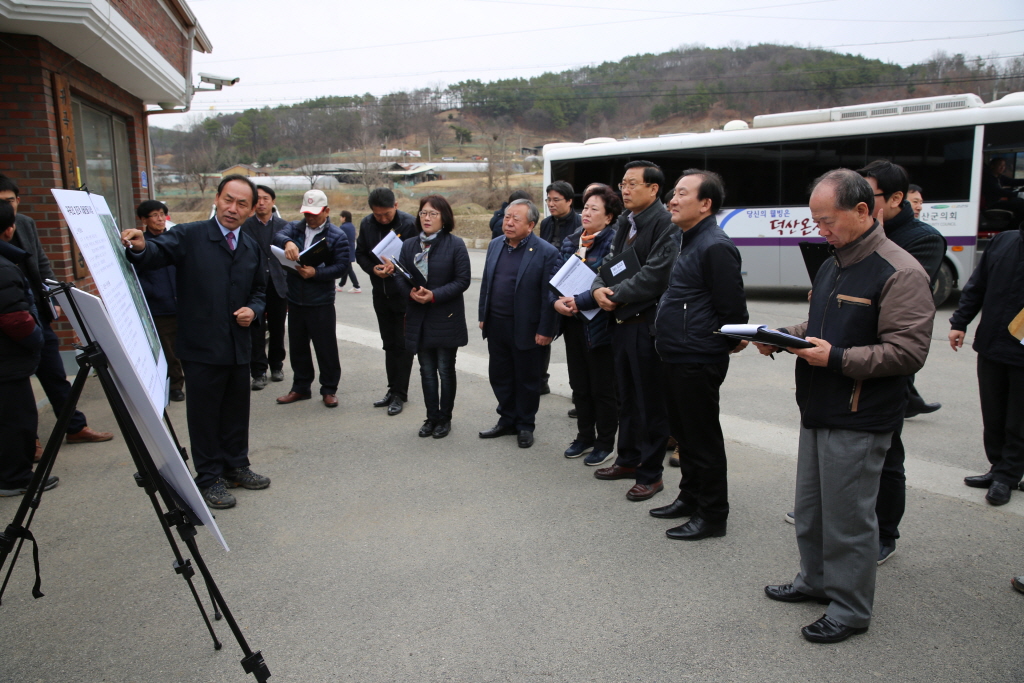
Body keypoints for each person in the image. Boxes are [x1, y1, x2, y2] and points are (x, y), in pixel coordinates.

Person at [759, 169, 934, 644]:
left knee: (849, 519)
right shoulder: (833, 261)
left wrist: (835, 359)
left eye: (827, 221)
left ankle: (850, 609)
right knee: (813, 509)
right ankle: (814, 582)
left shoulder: (900, 271)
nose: (821, 231)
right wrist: (780, 337)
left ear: (863, 210)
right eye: (815, 222)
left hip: (860, 412)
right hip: (819, 403)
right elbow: (822, 323)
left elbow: (907, 351)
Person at [121, 174, 270, 511]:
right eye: (228, 199)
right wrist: (142, 246)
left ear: (251, 210)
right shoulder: (190, 235)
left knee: (236, 409)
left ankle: (236, 465)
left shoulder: (250, 247)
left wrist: (254, 309)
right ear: (217, 199)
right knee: (204, 415)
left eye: (241, 204)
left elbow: (261, 290)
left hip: (238, 344)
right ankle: (209, 477)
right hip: (202, 346)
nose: (233, 208)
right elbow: (157, 252)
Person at [649, 170, 748, 541]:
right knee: (685, 436)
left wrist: (711, 346)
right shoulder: (686, 240)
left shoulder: (715, 245)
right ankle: (689, 497)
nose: (672, 200)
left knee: (702, 438)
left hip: (696, 358)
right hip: (676, 353)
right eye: (673, 193)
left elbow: (734, 313)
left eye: (682, 194)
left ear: (705, 204)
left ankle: (712, 515)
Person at [855, 160, 947, 563]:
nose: (857, 204)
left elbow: (902, 303)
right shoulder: (855, 232)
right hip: (848, 356)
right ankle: (842, 516)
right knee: (846, 449)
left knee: (887, 453)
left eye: (867, 196)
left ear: (895, 198)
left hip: (883, 361)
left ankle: (885, 532)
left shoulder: (922, 240)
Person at [589, 160, 680, 502]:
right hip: (621, 322)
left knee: (649, 402)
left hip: (647, 325)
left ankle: (650, 473)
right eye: (622, 184)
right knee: (625, 397)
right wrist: (599, 288)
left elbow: (656, 274)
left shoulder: (665, 224)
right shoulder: (625, 221)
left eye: (632, 184)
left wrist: (614, 295)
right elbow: (608, 264)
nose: (624, 190)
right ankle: (627, 459)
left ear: (654, 189)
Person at [0, 174, 113, 446]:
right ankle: (29, 443)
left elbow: (41, 265)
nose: (7, 206)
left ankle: (74, 426)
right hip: (11, 321)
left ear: (18, 200)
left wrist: (55, 301)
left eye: (10, 200)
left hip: (36, 313)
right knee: (16, 391)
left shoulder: (25, 224)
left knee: (55, 374)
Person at [949, 216, 1024, 506]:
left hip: (1021, 355)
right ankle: (997, 467)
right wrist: (960, 322)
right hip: (992, 344)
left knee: (1018, 417)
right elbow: (977, 285)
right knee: (993, 412)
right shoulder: (1003, 241)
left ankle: (1008, 475)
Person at [477, 199, 559, 448]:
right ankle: (507, 419)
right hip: (497, 324)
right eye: (507, 217)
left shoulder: (546, 252)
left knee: (526, 379)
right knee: (500, 375)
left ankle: (525, 424)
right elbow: (486, 284)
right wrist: (483, 315)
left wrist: (546, 329)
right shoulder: (495, 245)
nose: (508, 222)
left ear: (531, 225)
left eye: (516, 219)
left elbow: (551, 295)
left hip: (527, 327)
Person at [551, 184, 620, 467]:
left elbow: (610, 283)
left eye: (594, 209)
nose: (587, 213)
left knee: (602, 387)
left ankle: (605, 442)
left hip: (600, 325)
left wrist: (580, 301)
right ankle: (584, 437)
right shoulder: (571, 240)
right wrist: (555, 302)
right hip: (573, 323)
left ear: (609, 217)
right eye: (586, 208)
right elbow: (555, 277)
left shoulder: (615, 242)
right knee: (579, 385)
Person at [393, 195, 471, 439]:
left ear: (444, 218)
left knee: (446, 370)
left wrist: (434, 295)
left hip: (446, 316)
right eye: (423, 213)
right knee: (426, 370)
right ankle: (431, 417)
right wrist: (411, 293)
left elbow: (462, 280)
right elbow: (399, 275)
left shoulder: (455, 244)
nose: (426, 218)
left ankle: (444, 419)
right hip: (420, 317)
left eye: (433, 214)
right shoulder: (409, 245)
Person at [0, 202, 57, 496]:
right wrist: (38, 338)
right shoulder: (5, 268)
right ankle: (16, 478)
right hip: (8, 362)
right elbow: (15, 319)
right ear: (9, 229)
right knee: (17, 420)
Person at [273, 189, 349, 408]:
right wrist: (288, 242)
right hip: (296, 298)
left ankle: (329, 389)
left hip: (321, 301)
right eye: (307, 213)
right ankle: (300, 387)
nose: (310, 218)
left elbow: (342, 267)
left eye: (315, 214)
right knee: (298, 347)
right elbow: (278, 235)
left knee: (325, 348)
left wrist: (317, 274)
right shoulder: (295, 228)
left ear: (326, 211)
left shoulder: (337, 236)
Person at [355, 188, 420, 416]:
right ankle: (392, 389)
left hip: (403, 296)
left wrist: (399, 267)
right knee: (388, 344)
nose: (382, 218)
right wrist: (373, 269)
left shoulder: (410, 224)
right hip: (380, 293)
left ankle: (400, 395)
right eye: (377, 214)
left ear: (396, 205)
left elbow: (420, 259)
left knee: (403, 346)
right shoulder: (367, 224)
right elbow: (360, 253)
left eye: (386, 214)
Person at [134, 200, 184, 402]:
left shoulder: (174, 241)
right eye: (154, 215)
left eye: (162, 214)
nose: (160, 218)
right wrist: (153, 292)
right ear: (144, 220)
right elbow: (136, 277)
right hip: (158, 305)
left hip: (182, 303)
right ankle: (175, 385)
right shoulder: (140, 245)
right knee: (168, 349)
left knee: (184, 346)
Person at [240, 185, 289, 388]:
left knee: (278, 328)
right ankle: (258, 371)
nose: (261, 202)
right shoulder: (245, 226)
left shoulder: (284, 226)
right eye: (258, 199)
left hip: (278, 284)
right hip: (254, 285)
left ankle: (276, 365)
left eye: (265, 198)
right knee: (256, 330)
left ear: (273, 201)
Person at [537, 180, 582, 395]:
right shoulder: (546, 223)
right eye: (548, 200)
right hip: (548, 286)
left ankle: (579, 388)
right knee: (543, 333)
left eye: (556, 200)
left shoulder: (580, 223)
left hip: (572, 288)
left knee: (575, 342)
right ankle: (541, 380)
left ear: (570, 201)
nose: (551, 204)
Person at [981, 157, 1024, 228]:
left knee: (1019, 203)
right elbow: (998, 191)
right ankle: (1014, 228)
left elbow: (1012, 182)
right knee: (1020, 206)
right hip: (992, 204)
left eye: (1004, 166)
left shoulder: (998, 177)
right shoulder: (988, 178)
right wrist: (1018, 194)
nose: (1002, 168)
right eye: (1000, 166)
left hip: (997, 202)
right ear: (992, 166)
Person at [336, 210, 361, 293]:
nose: (340, 219)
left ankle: (356, 286)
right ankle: (340, 285)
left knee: (349, 269)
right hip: (351, 249)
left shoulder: (343, 227)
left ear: (344, 218)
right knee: (346, 268)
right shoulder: (352, 226)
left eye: (341, 217)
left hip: (345, 250)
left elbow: (339, 238)